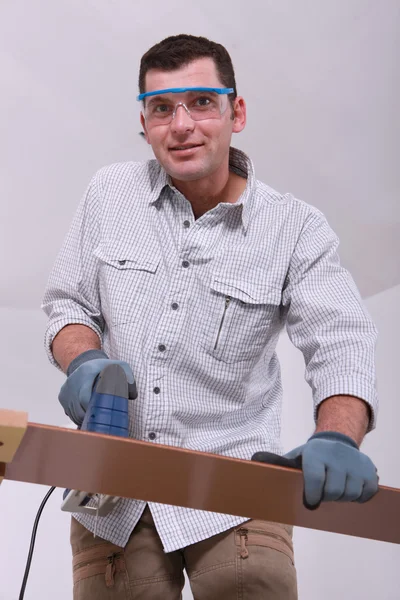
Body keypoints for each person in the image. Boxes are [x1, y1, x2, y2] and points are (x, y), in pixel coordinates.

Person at [42, 34, 379, 600]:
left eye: (201, 101)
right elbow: (68, 304)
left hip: (236, 489)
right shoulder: (108, 194)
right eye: (161, 108)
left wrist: (339, 437)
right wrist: (86, 359)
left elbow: (341, 342)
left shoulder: (295, 228)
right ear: (143, 121)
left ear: (235, 112)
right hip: (112, 492)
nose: (182, 125)